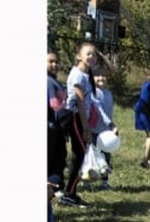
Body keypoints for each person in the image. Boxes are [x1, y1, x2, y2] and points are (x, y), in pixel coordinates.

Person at [60, 42, 99, 208]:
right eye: (88, 54)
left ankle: (71, 192)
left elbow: (111, 70)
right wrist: (86, 127)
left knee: (79, 155)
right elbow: (80, 103)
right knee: (81, 154)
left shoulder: (87, 74)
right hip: (75, 117)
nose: (92, 57)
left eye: (94, 54)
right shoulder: (77, 75)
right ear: (79, 56)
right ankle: (69, 194)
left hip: (80, 117)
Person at [90, 68, 119, 190]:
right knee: (90, 155)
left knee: (106, 156)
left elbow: (109, 112)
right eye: (97, 75)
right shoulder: (92, 93)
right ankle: (86, 181)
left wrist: (111, 126)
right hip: (92, 129)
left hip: (106, 131)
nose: (101, 78)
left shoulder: (108, 94)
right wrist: (111, 124)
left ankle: (104, 181)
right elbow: (99, 111)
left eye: (104, 75)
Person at [47, 51, 68, 192]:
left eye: (57, 62)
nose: (55, 64)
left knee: (59, 157)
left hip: (59, 128)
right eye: (51, 61)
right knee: (53, 158)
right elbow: (54, 106)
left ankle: (55, 186)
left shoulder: (55, 81)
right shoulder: (47, 81)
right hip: (52, 128)